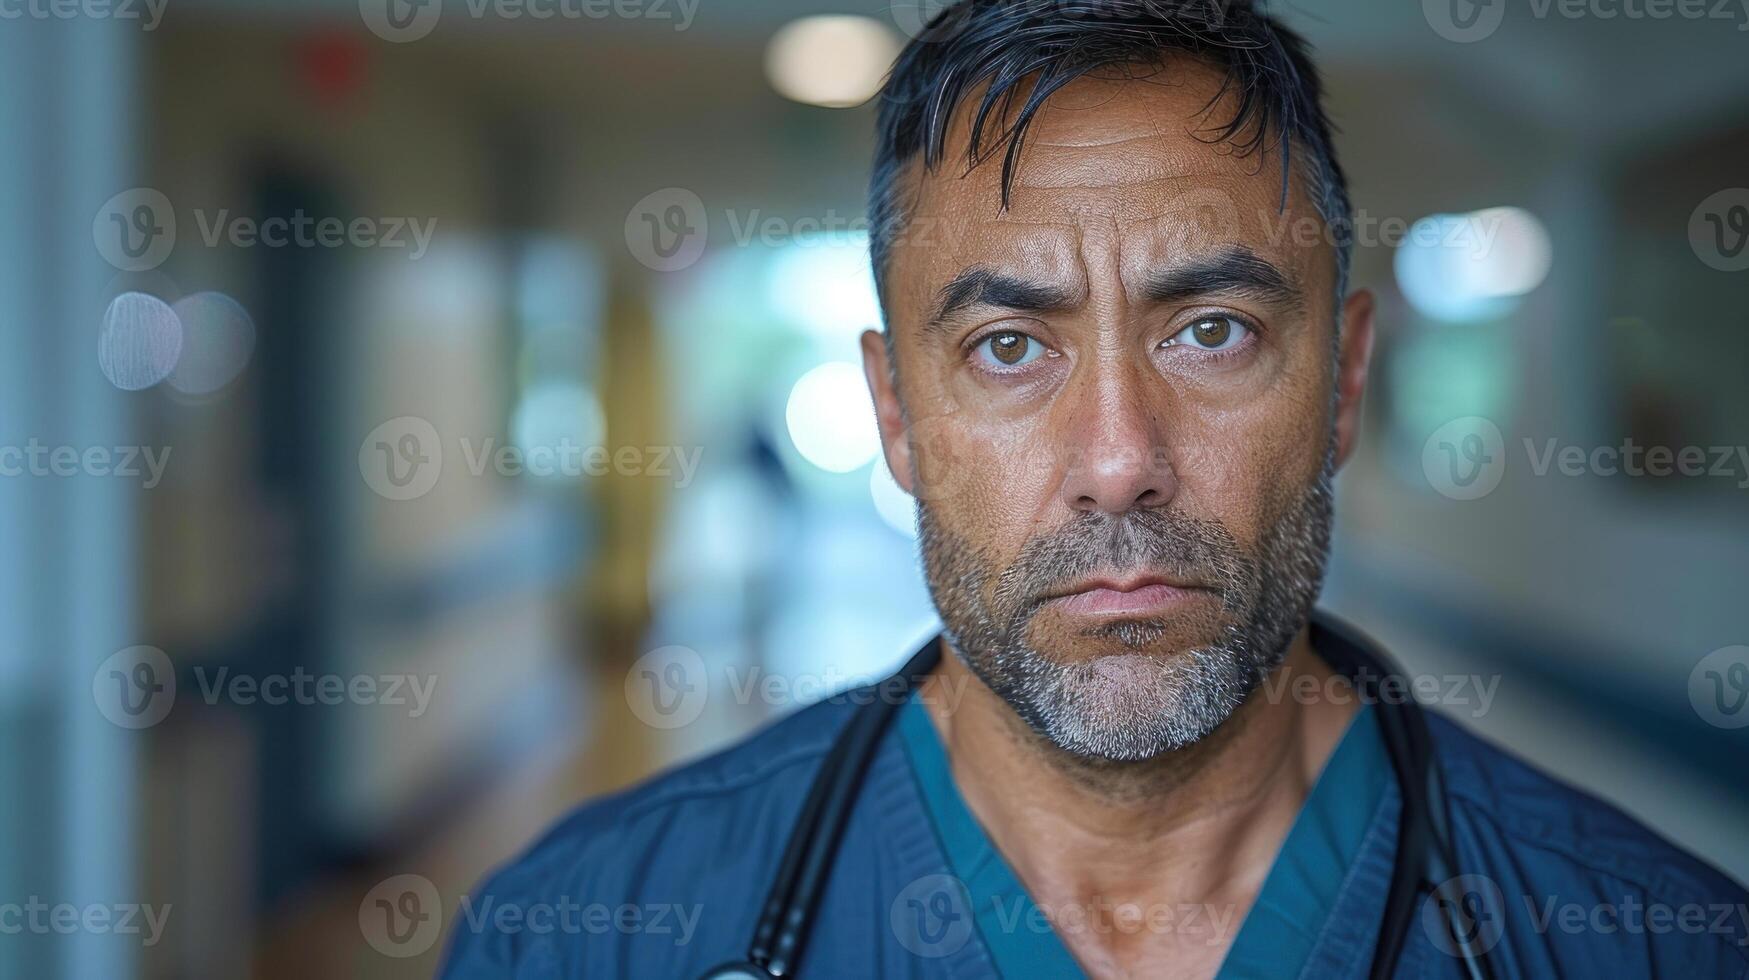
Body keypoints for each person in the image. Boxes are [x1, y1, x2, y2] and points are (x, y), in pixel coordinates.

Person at [442, 2, 1749, 976]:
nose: (1119, 457)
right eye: (1008, 348)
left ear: (1343, 382)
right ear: (896, 412)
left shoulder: (1652, 944)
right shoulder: (589, 936)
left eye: (1212, 331)